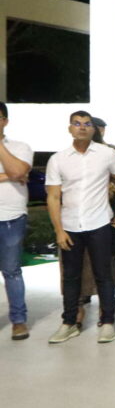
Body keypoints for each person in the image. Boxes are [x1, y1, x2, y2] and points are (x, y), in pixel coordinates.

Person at [46, 110, 115, 344]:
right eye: (77, 123)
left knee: (104, 274)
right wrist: (59, 230)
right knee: (71, 277)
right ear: (69, 128)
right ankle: (69, 322)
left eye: (86, 124)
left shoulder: (107, 154)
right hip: (70, 225)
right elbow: (53, 197)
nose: (82, 127)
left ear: (94, 129)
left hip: (100, 222)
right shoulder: (58, 159)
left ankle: (108, 322)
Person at [0, 102, 32, 341]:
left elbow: (19, 172)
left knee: (12, 271)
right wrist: (8, 176)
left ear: (5, 121)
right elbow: (13, 174)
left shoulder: (21, 147)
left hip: (11, 217)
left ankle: (18, 321)